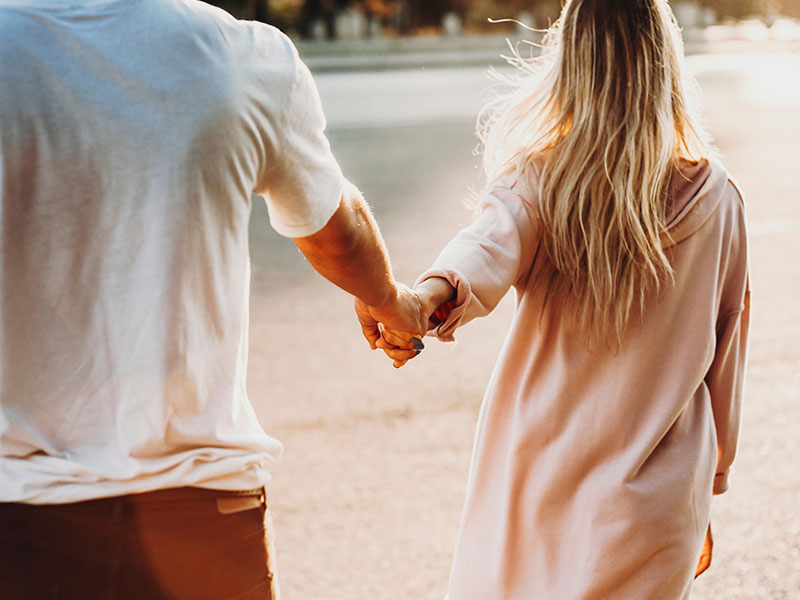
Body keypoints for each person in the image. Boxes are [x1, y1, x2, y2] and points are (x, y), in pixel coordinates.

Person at [0, 1, 424, 598]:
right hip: (203, 514)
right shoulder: (241, 56)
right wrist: (390, 302)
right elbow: (338, 232)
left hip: (19, 516)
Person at [366, 1, 750, 598]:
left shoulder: (544, 181)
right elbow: (725, 348)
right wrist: (713, 482)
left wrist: (420, 301)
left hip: (536, 485)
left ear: (569, 65)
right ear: (666, 64)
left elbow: (482, 251)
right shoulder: (719, 200)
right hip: (658, 498)